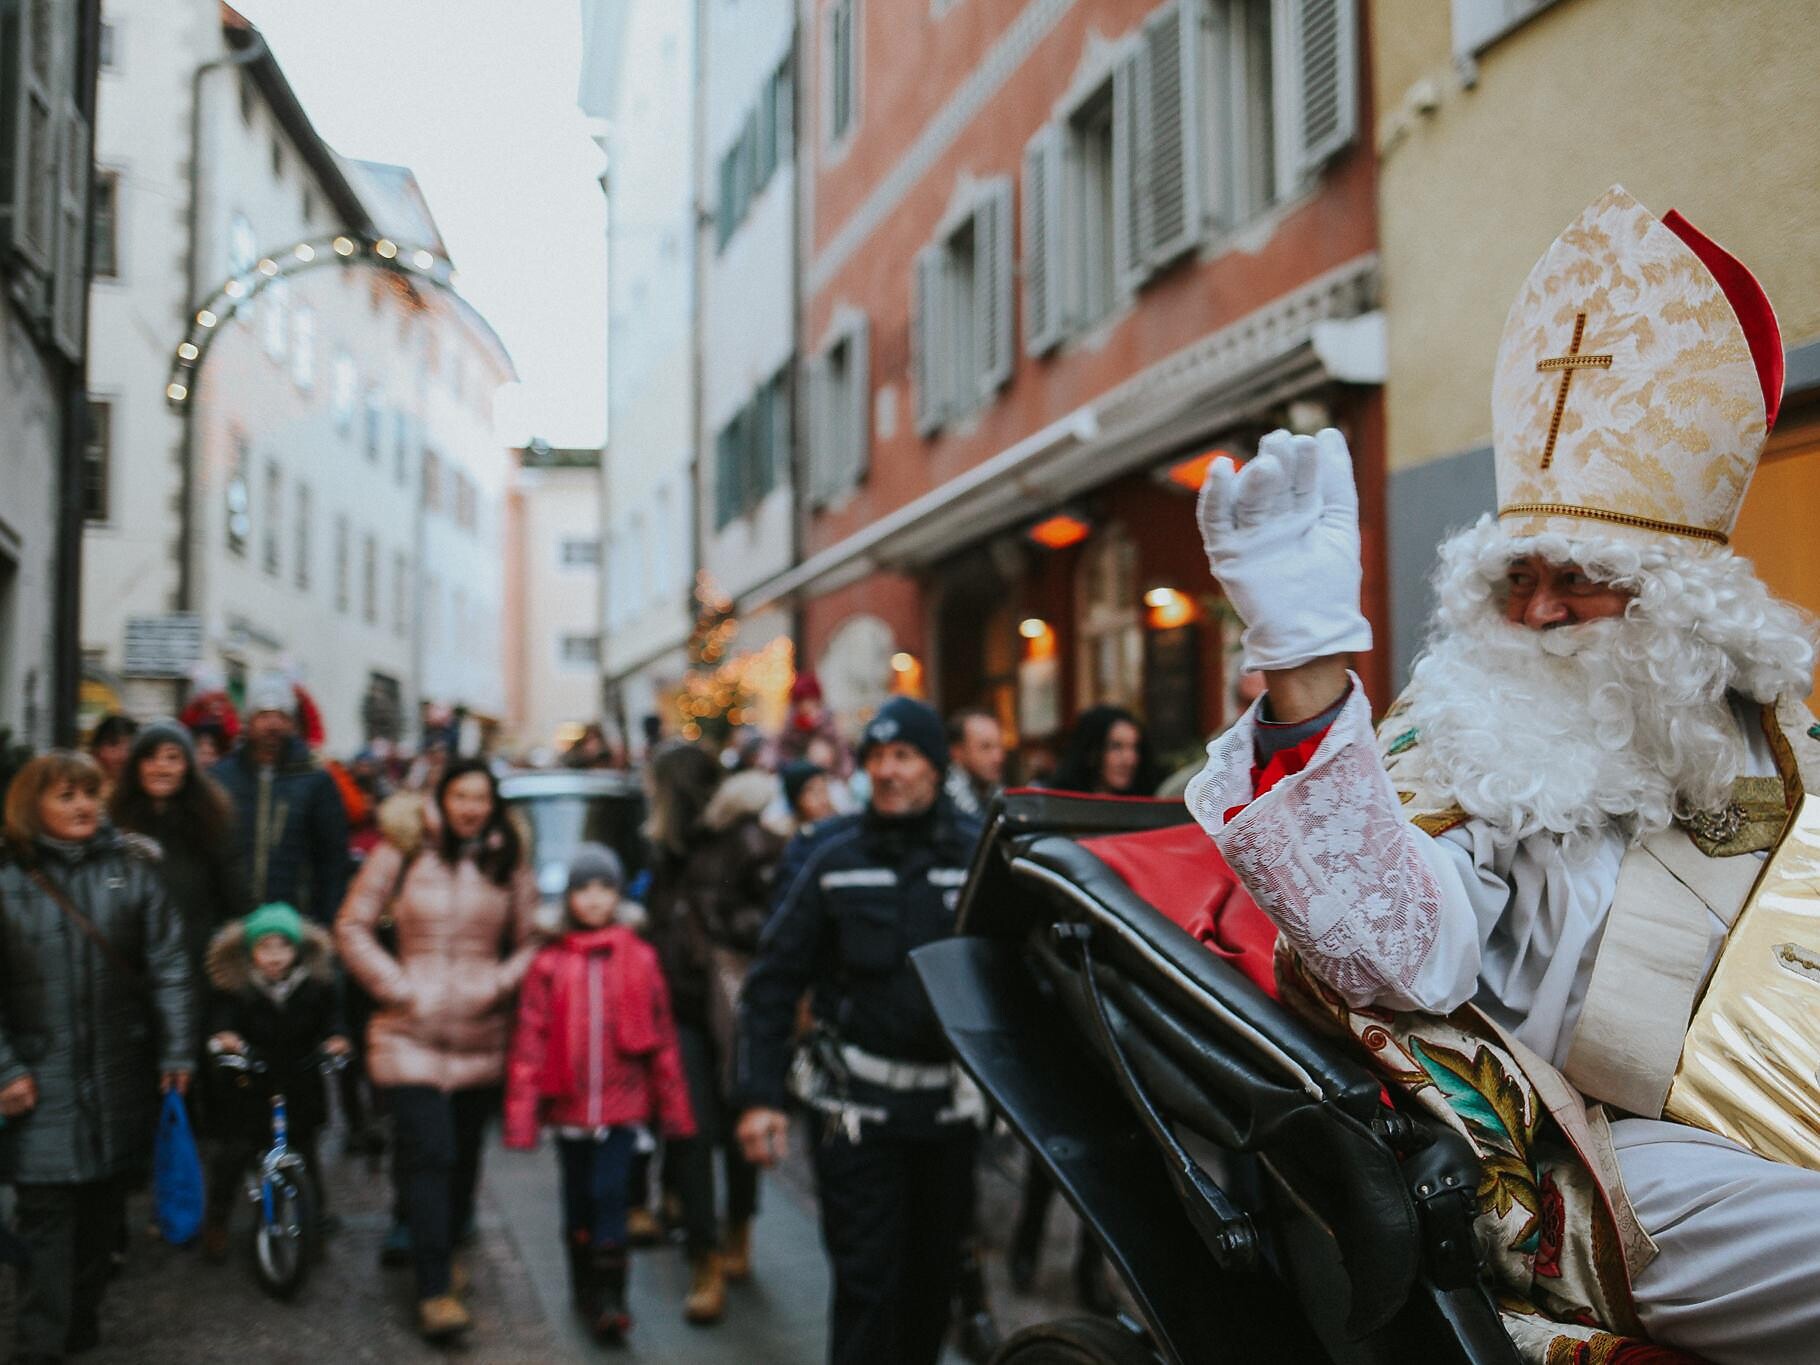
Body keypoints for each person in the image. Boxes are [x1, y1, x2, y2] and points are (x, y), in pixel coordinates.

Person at [1186, 187, 1820, 1364]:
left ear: (1675, 599)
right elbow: (1389, 948)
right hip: (1599, 1155)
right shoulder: (1475, 726)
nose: (1535, 612)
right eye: (1512, 577)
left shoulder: (1776, 740)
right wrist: (1307, 667)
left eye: (1576, 576)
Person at [736, 697, 986, 1365]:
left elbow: (1017, 974)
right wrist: (759, 1096)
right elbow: (772, 980)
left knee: (932, 1288)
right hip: (855, 1115)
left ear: (935, 766)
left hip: (948, 1114)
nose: (886, 770)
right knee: (867, 1285)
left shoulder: (978, 853)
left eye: (903, 755)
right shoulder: (830, 854)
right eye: (875, 757)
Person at [335, 758, 540, 1342]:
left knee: (463, 1161)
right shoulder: (400, 849)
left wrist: (497, 985)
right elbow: (351, 925)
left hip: (479, 1034)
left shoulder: (507, 859)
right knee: (431, 1153)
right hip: (409, 1034)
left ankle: (442, 1249)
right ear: (441, 799)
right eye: (460, 796)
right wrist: (398, 987)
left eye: (481, 797)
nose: (471, 807)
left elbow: (531, 942)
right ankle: (433, 1291)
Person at [0, 751, 193, 1365]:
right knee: (46, 1225)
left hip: (118, 1078)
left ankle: (76, 1331)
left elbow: (170, 968)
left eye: (90, 794)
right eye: (65, 796)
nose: (83, 806)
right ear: (33, 806)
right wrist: (4, 1069)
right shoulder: (6, 881)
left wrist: (179, 1048)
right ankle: (40, 1346)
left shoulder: (132, 874)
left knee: (101, 1223)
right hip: (39, 1085)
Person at [503, 844, 696, 1343]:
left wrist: (674, 1109)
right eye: (584, 889)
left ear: (618, 894)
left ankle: (612, 1296)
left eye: (604, 888)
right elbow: (530, 1041)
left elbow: (662, 1040)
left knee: (610, 1192)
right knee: (577, 1197)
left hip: (623, 1106)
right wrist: (522, 1117)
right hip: (569, 1109)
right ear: (570, 897)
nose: (594, 899)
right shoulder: (549, 962)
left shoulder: (640, 957)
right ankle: (584, 1282)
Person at [1009, 705, 1160, 1313]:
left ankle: (1089, 1266)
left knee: (1115, 1142)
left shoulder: (1145, 814)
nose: (1125, 758)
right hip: (1069, 993)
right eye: (1115, 746)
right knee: (1063, 1136)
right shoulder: (1065, 810)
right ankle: (1028, 1231)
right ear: (1095, 750)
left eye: (1133, 747)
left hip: (1125, 999)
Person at [643, 750, 788, 1321]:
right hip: (679, 1009)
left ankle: (737, 1231)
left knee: (737, 1127)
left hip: (733, 1008)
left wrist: (721, 924)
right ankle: (704, 1258)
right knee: (690, 1130)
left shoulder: (746, 840)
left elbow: (777, 919)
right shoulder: (666, 851)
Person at [200, 902, 350, 1257]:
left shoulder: (313, 988)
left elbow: (332, 1020)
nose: (275, 957)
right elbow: (220, 1020)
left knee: (307, 1156)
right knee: (234, 1154)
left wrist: (336, 1039)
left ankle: (314, 1220)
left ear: (296, 950)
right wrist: (225, 1037)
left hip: (299, 1082)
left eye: (283, 947)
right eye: (265, 948)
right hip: (251, 1084)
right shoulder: (236, 990)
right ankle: (217, 1219)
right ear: (250, 952)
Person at [109, 718, 246, 999]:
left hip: (194, 967)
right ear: (136, 766)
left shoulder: (212, 825)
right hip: (130, 967)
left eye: (172, 758)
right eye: (151, 758)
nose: (161, 767)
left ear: (187, 767)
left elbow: (238, 898)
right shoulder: (114, 826)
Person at [212, 673, 349, 923]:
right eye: (263, 715)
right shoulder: (221, 778)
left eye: (281, 716)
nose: (272, 725)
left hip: (297, 923)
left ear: (292, 724)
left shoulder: (316, 780)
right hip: (231, 923)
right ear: (249, 722)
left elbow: (332, 861)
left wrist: (326, 921)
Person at [1155, 670, 1266, 799]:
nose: (1256, 712)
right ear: (1238, 705)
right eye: (1249, 703)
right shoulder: (1187, 791)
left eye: (1268, 703)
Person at [1048, 704, 1162, 797]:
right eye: (1116, 747)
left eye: (1135, 748)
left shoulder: (1147, 807)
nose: (1129, 760)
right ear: (1091, 752)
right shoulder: (1057, 804)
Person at [942, 709, 1005, 818]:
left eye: (1000, 747)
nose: (998, 757)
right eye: (986, 747)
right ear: (957, 752)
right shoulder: (944, 804)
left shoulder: (997, 793)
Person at [86, 713, 138, 801]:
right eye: (113, 744)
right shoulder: (82, 789)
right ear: (96, 749)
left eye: (130, 747)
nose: (123, 754)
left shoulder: (141, 793)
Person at [781, 760, 836, 831]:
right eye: (815, 793)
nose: (823, 800)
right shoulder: (793, 835)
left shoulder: (840, 821)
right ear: (797, 800)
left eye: (824, 790)